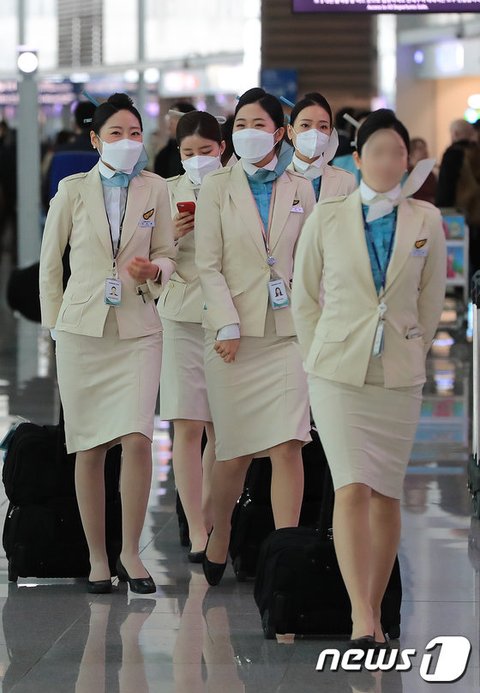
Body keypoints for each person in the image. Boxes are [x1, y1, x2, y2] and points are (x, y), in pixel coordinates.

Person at [292, 109, 446, 649]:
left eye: (396, 153)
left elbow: (430, 300)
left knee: (385, 493)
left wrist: (412, 347)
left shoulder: (425, 220)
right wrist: (319, 351)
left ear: (407, 160)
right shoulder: (328, 216)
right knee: (352, 486)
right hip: (337, 373)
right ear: (357, 159)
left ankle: (376, 606)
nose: (386, 161)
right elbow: (305, 295)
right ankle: (361, 615)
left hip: (397, 376)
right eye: (376, 152)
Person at [39, 93, 177, 595]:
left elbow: (168, 252)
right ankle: (97, 556)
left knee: (138, 437)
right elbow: (50, 264)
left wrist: (155, 269)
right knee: (90, 445)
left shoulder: (155, 188)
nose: (127, 142)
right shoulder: (72, 190)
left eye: (134, 134)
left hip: (138, 327)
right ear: (96, 140)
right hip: (82, 331)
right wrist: (56, 326)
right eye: (116, 134)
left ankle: (130, 552)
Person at [195, 87, 315, 586]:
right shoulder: (216, 187)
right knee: (234, 452)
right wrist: (227, 323)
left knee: (289, 444)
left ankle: (286, 554)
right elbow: (207, 264)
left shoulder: (300, 189)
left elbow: (310, 263)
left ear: (280, 133)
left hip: (288, 334)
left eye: (259, 124)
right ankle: (220, 528)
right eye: (240, 124)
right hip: (234, 337)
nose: (248, 132)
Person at [157, 110, 226, 562]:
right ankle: (197, 530)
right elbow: (149, 252)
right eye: (188, 152)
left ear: (222, 148)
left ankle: (211, 517)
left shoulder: (238, 187)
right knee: (187, 423)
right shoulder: (165, 191)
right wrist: (173, 236)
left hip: (227, 314)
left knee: (223, 426)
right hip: (180, 314)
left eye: (205, 150)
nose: (197, 158)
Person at [287, 92, 357, 201]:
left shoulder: (347, 181)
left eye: (323, 126)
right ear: (290, 131)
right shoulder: (277, 179)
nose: (314, 133)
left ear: (330, 133)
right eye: (305, 125)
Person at [154, 101, 196, 178]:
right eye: (169, 117)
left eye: (175, 118)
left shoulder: (197, 152)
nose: (170, 122)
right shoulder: (163, 155)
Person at [408, 137, 437, 204]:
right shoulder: (406, 173)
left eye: (425, 148)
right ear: (412, 152)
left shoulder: (430, 174)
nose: (425, 151)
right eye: (420, 148)